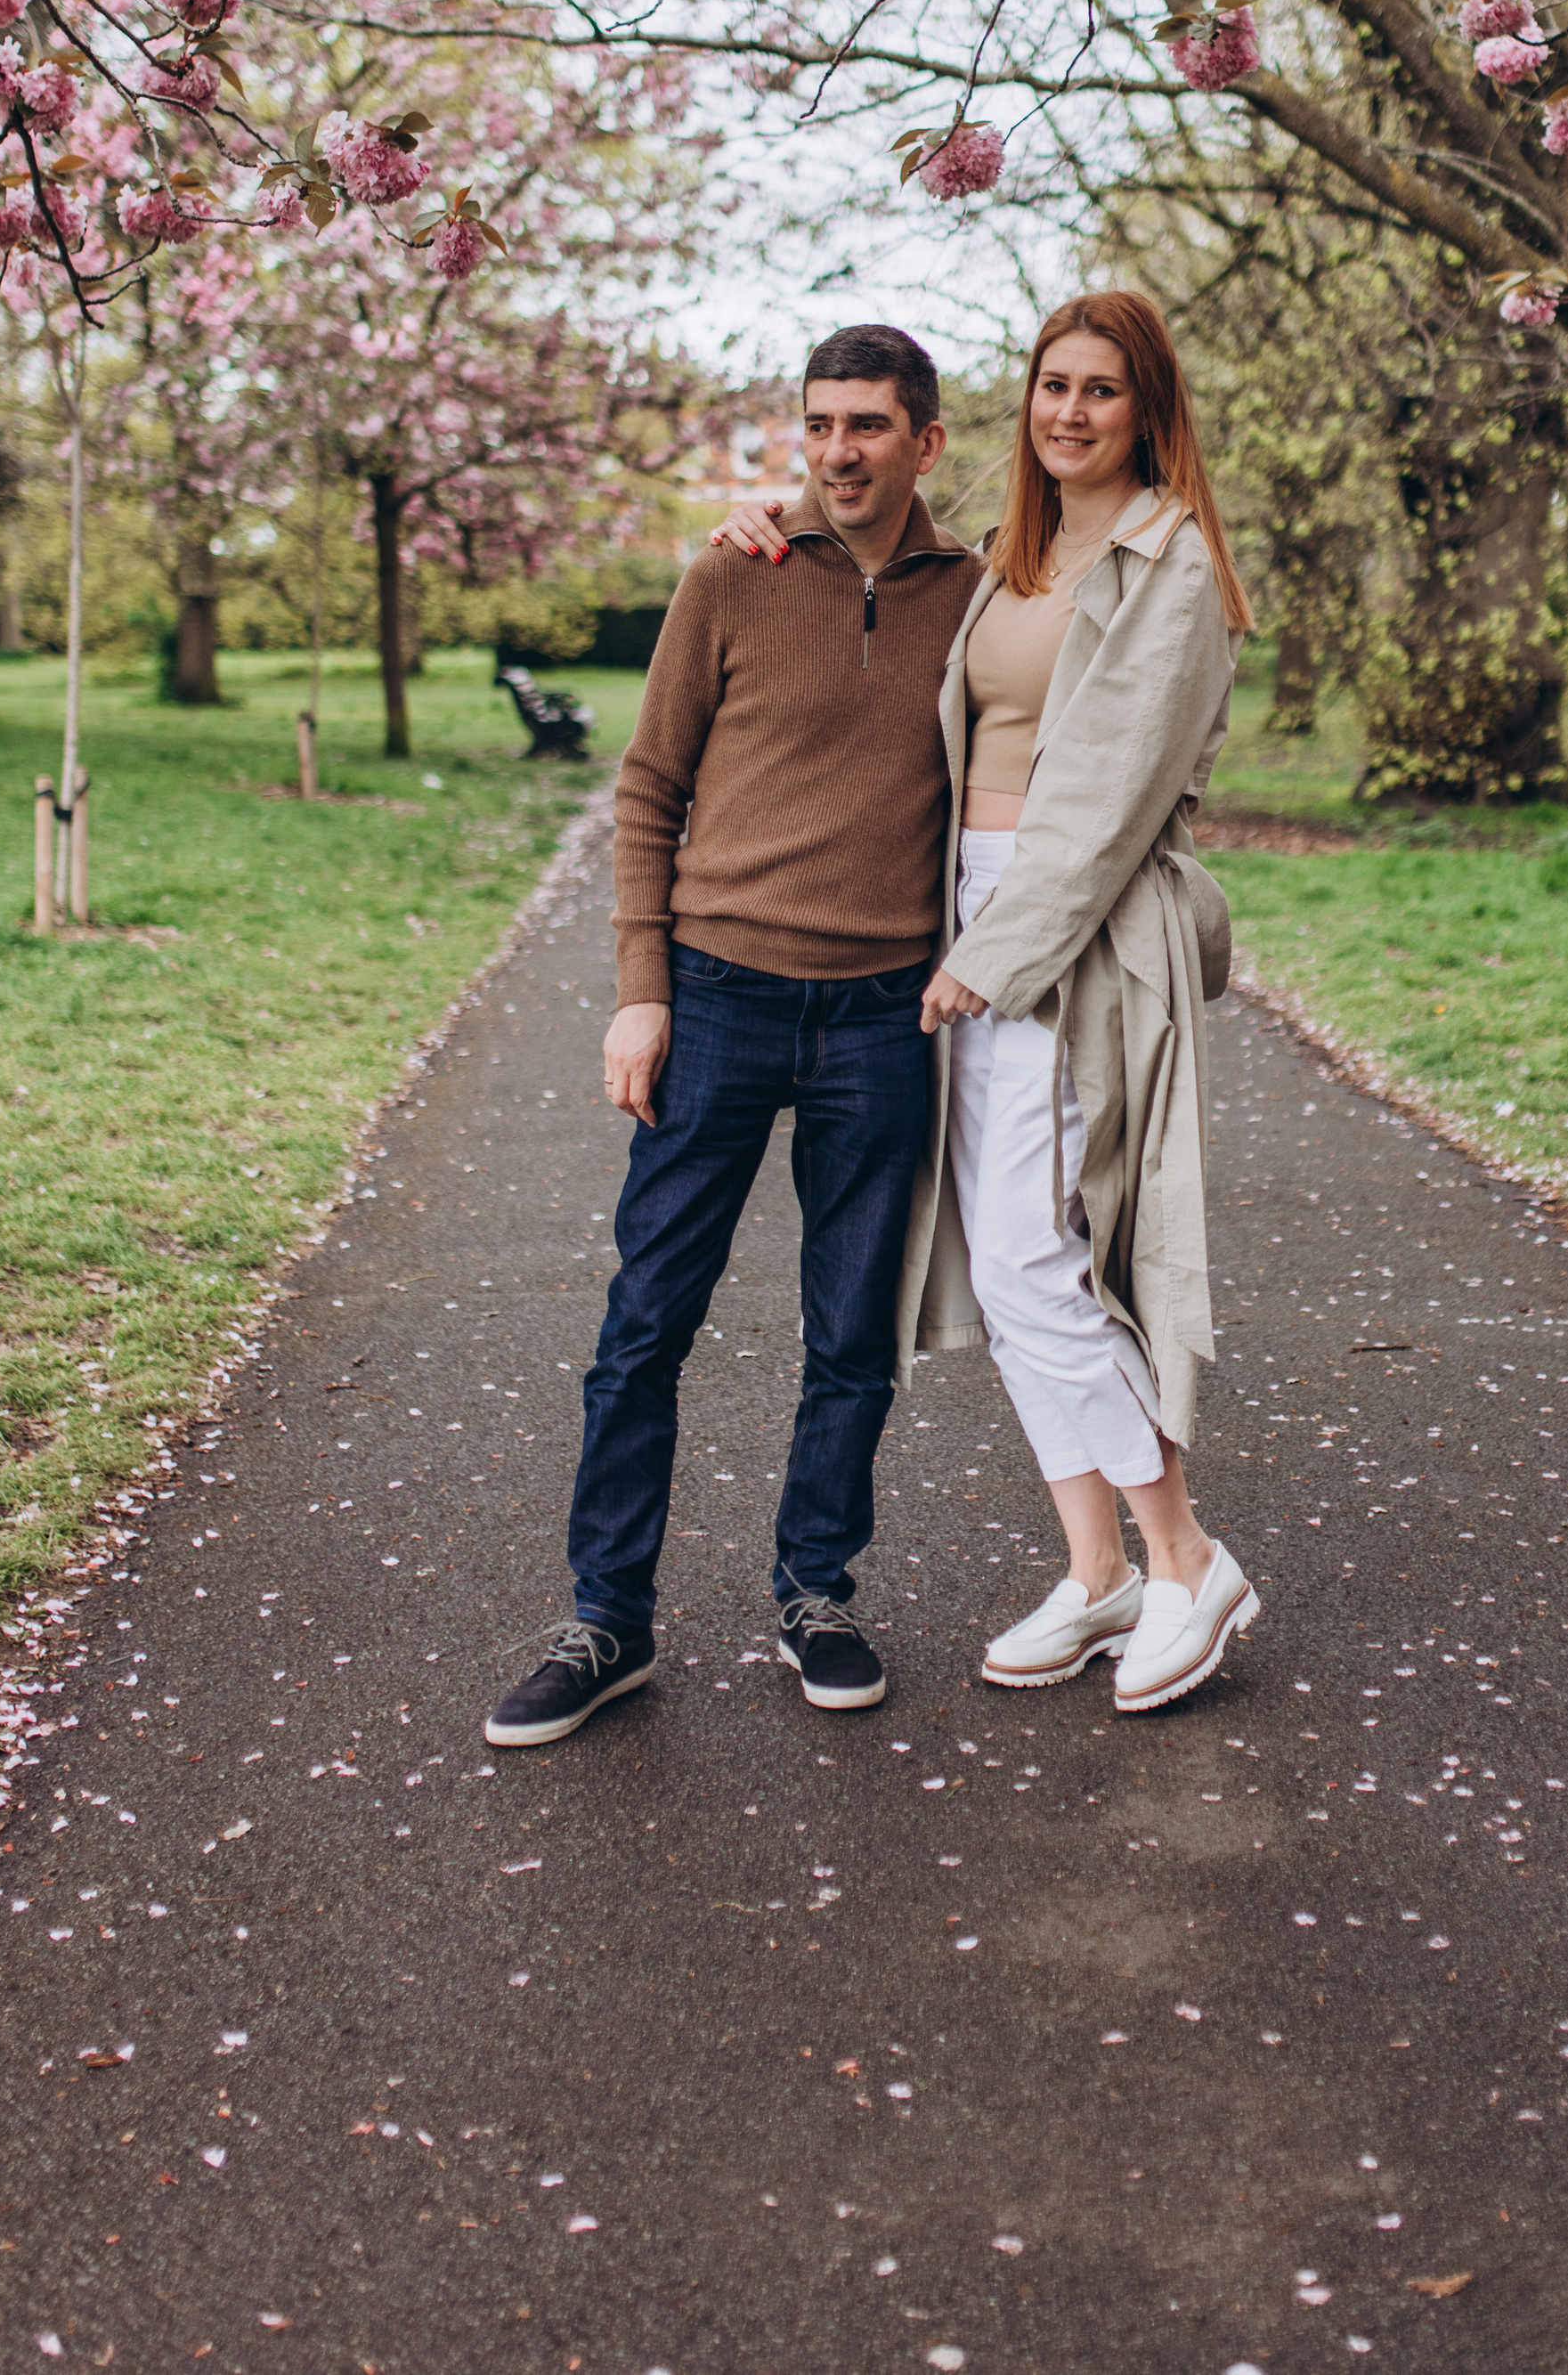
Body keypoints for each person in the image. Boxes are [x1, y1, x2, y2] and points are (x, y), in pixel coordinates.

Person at [717, 289, 1257, 1714]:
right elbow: (873, 542)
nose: (1069, 411)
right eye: (1052, 386)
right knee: (993, 1257)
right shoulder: (1020, 552)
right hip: (969, 903)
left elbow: (1112, 794)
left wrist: (997, 946)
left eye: (1101, 390)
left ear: (1149, 410)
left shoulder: (1173, 561)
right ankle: (1098, 1572)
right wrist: (766, 526)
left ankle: (1185, 1554)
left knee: (1030, 1251)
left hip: (1061, 927)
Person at [485, 325, 983, 1749]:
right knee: (646, 1322)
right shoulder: (731, 572)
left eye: (871, 425)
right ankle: (606, 1619)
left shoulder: (977, 597)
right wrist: (641, 984)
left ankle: (817, 1591)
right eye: (821, 423)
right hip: (717, 996)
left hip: (885, 1012)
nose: (840, 450)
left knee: (851, 1332)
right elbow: (647, 788)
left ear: (925, 441)